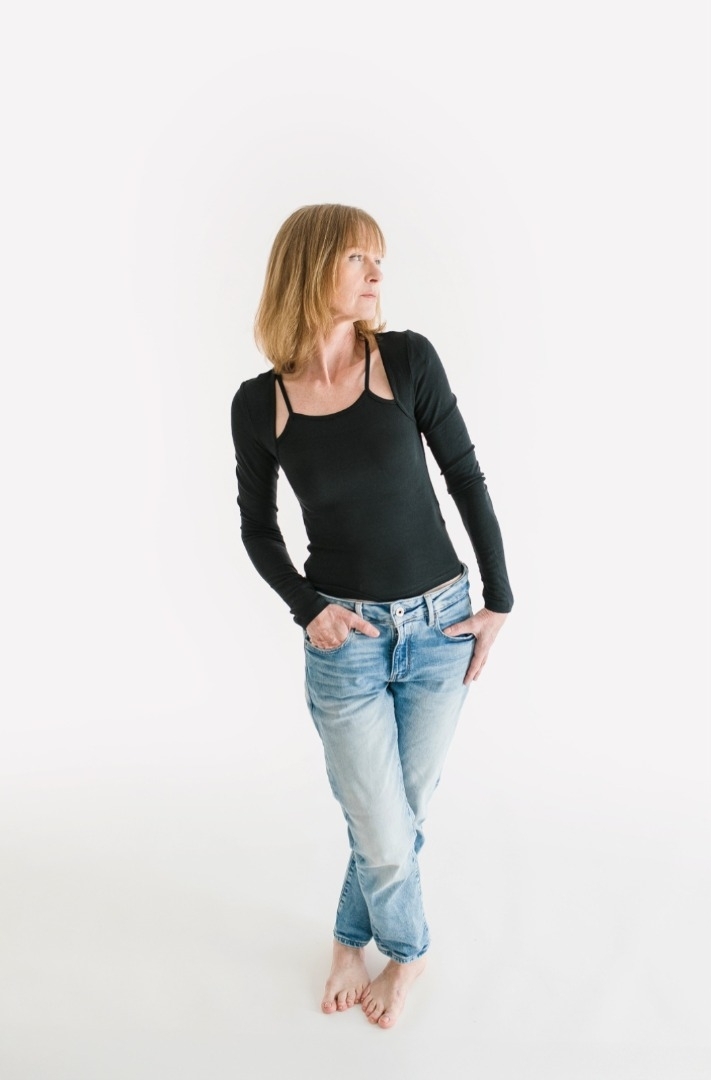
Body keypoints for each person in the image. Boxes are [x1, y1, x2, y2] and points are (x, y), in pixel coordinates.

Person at [230, 203, 513, 1029]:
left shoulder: (406, 360)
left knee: (397, 818)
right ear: (310, 266)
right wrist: (306, 608)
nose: (377, 273)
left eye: (377, 258)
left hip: (439, 627)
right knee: (382, 828)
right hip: (344, 642)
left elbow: (465, 476)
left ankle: (348, 940)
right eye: (358, 258)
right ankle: (409, 951)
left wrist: (498, 599)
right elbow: (256, 527)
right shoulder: (260, 403)